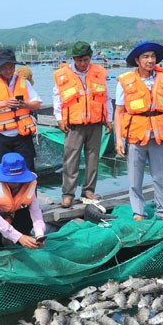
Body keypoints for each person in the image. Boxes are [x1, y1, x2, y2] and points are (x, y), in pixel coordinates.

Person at [114, 41, 163, 224]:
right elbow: (119, 112)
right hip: (135, 135)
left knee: (161, 177)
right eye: (145, 57)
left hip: (160, 135)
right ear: (137, 60)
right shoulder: (125, 82)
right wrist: (118, 139)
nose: (150, 60)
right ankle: (138, 212)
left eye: (152, 56)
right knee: (135, 178)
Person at [52, 41, 113, 208]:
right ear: (74, 59)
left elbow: (106, 97)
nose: (82, 63)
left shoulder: (99, 72)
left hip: (95, 122)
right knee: (71, 159)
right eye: (79, 60)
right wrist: (59, 119)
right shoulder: (62, 75)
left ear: (90, 57)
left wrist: (109, 118)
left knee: (93, 158)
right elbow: (57, 98)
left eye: (85, 59)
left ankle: (88, 190)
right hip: (74, 123)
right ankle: (68, 194)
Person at [0, 49, 42, 170]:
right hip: (1, 136)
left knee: (28, 170)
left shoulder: (24, 82)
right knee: (2, 172)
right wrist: (5, 103)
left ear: (14, 67)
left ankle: (29, 189)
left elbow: (37, 104)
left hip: (23, 135)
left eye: (11, 67)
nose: (8, 71)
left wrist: (25, 105)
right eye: (4, 68)